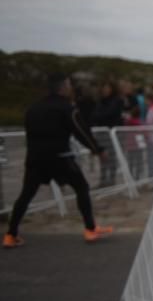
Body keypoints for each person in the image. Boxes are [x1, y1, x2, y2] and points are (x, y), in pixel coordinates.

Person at [4, 73, 113, 248]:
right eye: (69, 85)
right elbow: (81, 131)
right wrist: (97, 150)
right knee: (81, 187)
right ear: (63, 87)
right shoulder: (67, 108)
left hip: (35, 158)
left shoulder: (32, 108)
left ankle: (10, 234)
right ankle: (90, 229)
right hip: (59, 158)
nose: (71, 88)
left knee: (26, 194)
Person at [91, 78, 124, 188]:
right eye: (104, 88)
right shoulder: (101, 101)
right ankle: (103, 179)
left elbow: (108, 114)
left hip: (112, 134)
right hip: (101, 134)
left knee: (112, 157)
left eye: (107, 88)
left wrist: (99, 117)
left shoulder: (117, 101)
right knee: (102, 157)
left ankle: (111, 179)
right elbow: (95, 115)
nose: (105, 90)